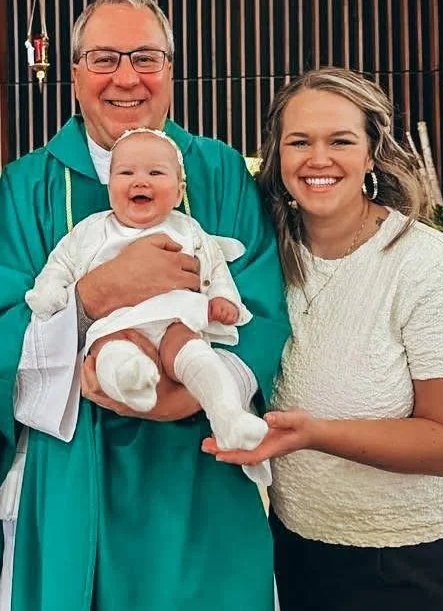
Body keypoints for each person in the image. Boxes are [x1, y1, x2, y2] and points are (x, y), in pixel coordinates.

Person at [0, 0, 293, 611]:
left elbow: (262, 307)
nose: (125, 77)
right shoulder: (30, 185)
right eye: (104, 58)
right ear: (74, 75)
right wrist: (91, 299)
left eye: (145, 58)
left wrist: (193, 395)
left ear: (171, 71)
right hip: (76, 474)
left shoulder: (217, 173)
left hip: (197, 472)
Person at [204, 67, 443, 611]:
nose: (317, 159)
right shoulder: (264, 263)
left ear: (371, 153)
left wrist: (314, 433)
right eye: (297, 141)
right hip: (305, 554)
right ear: (274, 159)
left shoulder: (426, 265)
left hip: (417, 563)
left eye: (339, 141)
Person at [26, 125, 268, 455]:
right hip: (119, 326)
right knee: (115, 350)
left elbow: (214, 266)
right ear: (109, 185)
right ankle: (131, 384)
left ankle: (229, 419)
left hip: (175, 323)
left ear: (180, 190)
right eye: (126, 172)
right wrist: (51, 291)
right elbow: (61, 264)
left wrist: (223, 299)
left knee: (195, 353)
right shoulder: (93, 231)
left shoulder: (190, 229)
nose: (141, 181)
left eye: (156, 172)